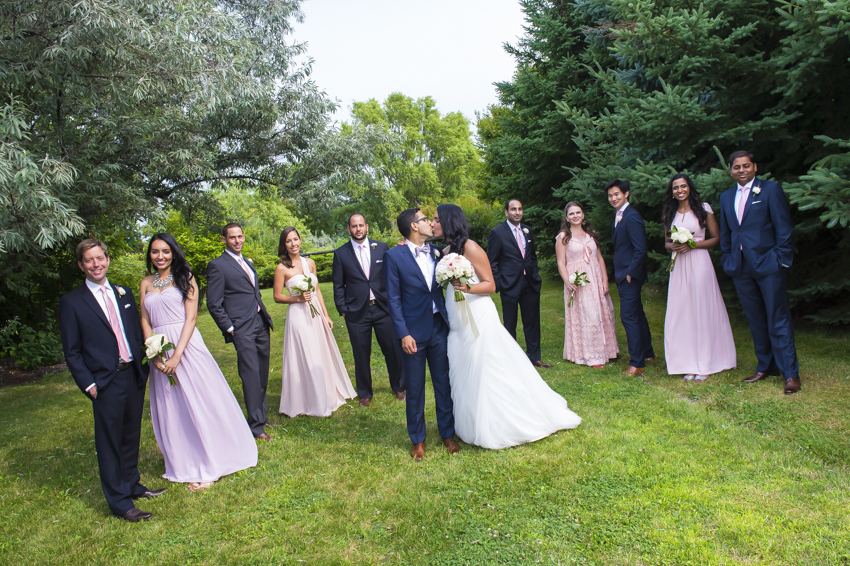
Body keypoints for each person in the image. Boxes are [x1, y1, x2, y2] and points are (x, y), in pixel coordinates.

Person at [435, 204, 581, 449]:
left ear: (449, 221)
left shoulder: (470, 247)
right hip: (457, 316)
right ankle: (467, 419)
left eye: (437, 219)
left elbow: (491, 285)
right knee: (463, 365)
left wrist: (467, 287)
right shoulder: (445, 251)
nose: (433, 224)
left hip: (477, 313)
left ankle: (496, 421)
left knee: (484, 366)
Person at [139, 234, 258, 491]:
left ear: (173, 253)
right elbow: (145, 320)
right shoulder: (146, 283)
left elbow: (191, 319)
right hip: (158, 349)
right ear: (150, 255)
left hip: (186, 345)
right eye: (155, 251)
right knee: (173, 408)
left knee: (201, 402)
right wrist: (154, 354)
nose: (160, 256)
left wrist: (177, 355)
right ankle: (186, 463)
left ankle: (212, 461)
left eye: (165, 251)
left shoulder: (186, 278)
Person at [59, 239, 164, 522]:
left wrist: (145, 364)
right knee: (109, 442)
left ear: (107, 259)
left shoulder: (123, 292)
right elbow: (72, 351)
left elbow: (135, 331)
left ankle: (132, 485)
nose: (96, 264)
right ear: (81, 265)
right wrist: (89, 384)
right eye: (89, 260)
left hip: (133, 374)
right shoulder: (72, 302)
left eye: (100, 258)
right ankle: (119, 501)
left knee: (130, 434)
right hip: (105, 381)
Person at [719, 151, 800, 394]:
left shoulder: (770, 190)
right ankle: (766, 366)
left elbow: (783, 228)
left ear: (755, 167)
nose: (741, 170)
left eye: (746, 166)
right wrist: (727, 259)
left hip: (769, 265)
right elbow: (727, 232)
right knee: (755, 319)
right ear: (731, 171)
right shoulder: (726, 196)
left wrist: (781, 260)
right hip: (740, 267)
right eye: (736, 167)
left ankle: (790, 374)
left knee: (778, 318)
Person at [384, 208, 460, 461]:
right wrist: (403, 334)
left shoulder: (437, 252)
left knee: (443, 383)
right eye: (425, 219)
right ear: (414, 226)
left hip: (439, 327)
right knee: (415, 388)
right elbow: (393, 299)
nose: (430, 222)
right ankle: (418, 440)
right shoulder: (393, 256)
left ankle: (447, 433)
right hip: (413, 332)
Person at [274, 227, 356, 417]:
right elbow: (277, 296)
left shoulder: (310, 263)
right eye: (288, 241)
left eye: (296, 239)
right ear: (284, 245)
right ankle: (308, 398)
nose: (293, 244)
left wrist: (326, 315)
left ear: (300, 240)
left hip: (315, 313)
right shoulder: (281, 268)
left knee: (319, 351)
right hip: (298, 315)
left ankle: (326, 392)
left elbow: (317, 290)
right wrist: (297, 298)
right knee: (306, 352)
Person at [662, 175, 737, 382]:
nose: (680, 190)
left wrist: (693, 244)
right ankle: (687, 362)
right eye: (675, 187)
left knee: (701, 309)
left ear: (689, 188)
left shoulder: (703, 208)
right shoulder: (669, 212)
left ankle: (706, 362)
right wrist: (673, 245)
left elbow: (716, 238)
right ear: (672, 192)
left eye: (683, 186)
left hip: (699, 262)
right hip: (679, 265)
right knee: (682, 311)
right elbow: (666, 242)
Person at [206, 223, 275, 440]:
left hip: (260, 322)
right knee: (250, 374)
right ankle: (256, 426)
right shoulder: (218, 265)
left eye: (240, 236)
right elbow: (213, 303)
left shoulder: (247, 262)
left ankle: (261, 416)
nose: (237, 241)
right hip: (241, 327)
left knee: (262, 371)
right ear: (224, 240)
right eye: (232, 237)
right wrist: (230, 328)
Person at [332, 214, 405, 407]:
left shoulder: (381, 247)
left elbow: (391, 275)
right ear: (348, 229)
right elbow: (338, 285)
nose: (358, 229)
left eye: (361, 225)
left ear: (367, 226)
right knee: (361, 354)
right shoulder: (341, 253)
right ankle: (365, 393)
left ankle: (399, 387)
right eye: (354, 226)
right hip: (356, 312)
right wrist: (343, 309)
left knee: (392, 349)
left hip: (382, 308)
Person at [487, 199, 552, 368]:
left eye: (520, 209)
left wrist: (535, 274)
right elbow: (492, 261)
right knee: (510, 323)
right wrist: (500, 283)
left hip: (530, 282)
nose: (517, 212)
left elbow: (531, 256)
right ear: (506, 212)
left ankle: (534, 357)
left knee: (532, 321)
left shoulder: (527, 230)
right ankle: (512, 359)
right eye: (513, 209)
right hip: (509, 284)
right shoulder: (497, 233)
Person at [555, 202, 619, 368]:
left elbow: (599, 258)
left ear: (583, 214)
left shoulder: (591, 234)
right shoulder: (563, 237)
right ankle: (591, 355)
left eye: (578, 212)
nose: (575, 216)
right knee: (587, 315)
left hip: (595, 278)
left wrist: (605, 279)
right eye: (571, 213)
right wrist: (567, 281)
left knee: (602, 312)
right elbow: (561, 262)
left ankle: (606, 350)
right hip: (578, 280)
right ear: (567, 218)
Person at [606, 180, 655, 376]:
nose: (613, 198)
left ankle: (637, 363)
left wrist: (630, 273)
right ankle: (648, 352)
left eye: (617, 194)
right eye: (610, 195)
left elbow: (640, 249)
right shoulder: (620, 214)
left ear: (626, 194)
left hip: (630, 275)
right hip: (624, 272)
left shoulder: (632, 216)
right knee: (637, 313)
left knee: (628, 316)